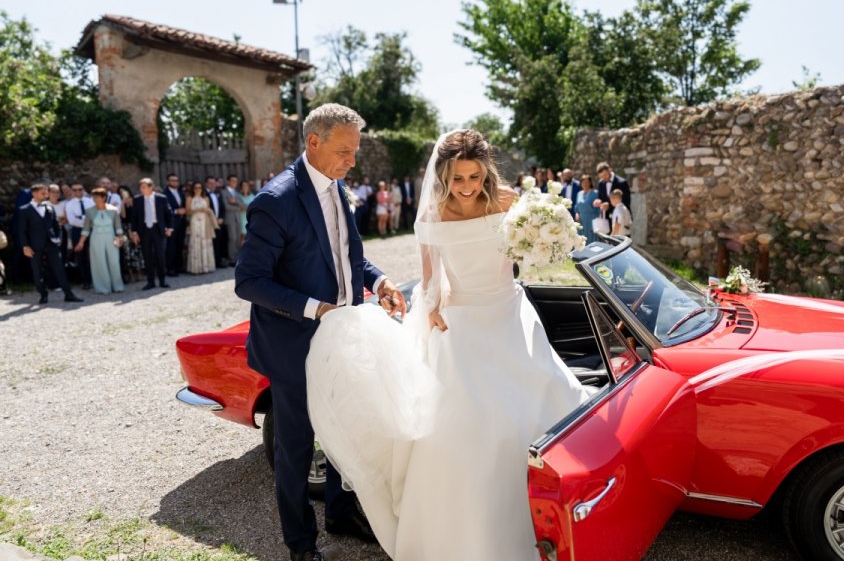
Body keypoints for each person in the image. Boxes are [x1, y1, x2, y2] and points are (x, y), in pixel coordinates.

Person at [305, 129, 588, 561]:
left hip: (510, 316)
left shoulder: (509, 201)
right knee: (476, 426)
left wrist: (548, 240)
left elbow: (534, 247)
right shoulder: (434, 215)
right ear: (444, 176)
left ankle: (566, 512)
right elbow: (431, 276)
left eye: (474, 176)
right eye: (458, 178)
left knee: (544, 404)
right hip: (463, 327)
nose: (468, 186)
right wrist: (432, 307)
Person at [235, 103, 406, 561]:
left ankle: (341, 510)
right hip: (294, 345)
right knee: (294, 449)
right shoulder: (276, 200)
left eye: (355, 151)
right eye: (345, 151)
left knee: (345, 429)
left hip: (343, 338)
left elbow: (346, 255)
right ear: (314, 142)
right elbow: (248, 281)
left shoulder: (336, 186)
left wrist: (379, 280)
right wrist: (317, 309)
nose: (353, 160)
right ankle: (301, 544)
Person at [17, 183, 82, 304]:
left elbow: (56, 225)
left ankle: (68, 294)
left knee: (60, 269)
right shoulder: (24, 210)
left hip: (52, 244)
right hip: (34, 245)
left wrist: (58, 239)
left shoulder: (49, 208)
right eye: (43, 192)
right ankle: (43, 294)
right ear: (34, 193)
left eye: (46, 192)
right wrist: (25, 246)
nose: (46, 194)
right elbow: (22, 230)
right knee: (37, 271)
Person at [74, 188, 125, 295]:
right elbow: (86, 229)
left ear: (104, 198)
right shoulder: (89, 211)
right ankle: (103, 288)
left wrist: (120, 238)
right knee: (99, 262)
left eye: (97, 196)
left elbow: (118, 227)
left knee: (114, 262)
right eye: (93, 196)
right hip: (96, 238)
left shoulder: (113, 210)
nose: (95, 199)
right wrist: (81, 242)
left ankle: (117, 286)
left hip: (111, 237)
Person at [130, 178, 173, 290]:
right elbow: (134, 217)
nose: (141, 189)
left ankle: (162, 280)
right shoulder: (137, 199)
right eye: (141, 187)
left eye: (144, 187)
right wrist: (134, 232)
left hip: (158, 230)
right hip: (144, 230)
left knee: (160, 256)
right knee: (147, 256)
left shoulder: (161, 198)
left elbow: (169, 214)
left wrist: (169, 228)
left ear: (151, 187)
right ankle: (150, 281)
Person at [65, 183, 95, 289]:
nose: (77, 191)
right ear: (72, 191)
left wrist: (81, 218)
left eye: (80, 189)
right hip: (77, 231)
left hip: (92, 230)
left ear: (83, 190)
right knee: (81, 256)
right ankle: (85, 281)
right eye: (75, 190)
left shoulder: (90, 201)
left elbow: (93, 215)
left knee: (93, 255)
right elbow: (72, 220)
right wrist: (85, 219)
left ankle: (94, 279)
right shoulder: (69, 204)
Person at [185, 182, 217, 274]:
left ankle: (207, 267)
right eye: (196, 187)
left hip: (205, 221)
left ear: (202, 188)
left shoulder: (206, 198)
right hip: (195, 221)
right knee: (196, 241)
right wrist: (199, 210)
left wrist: (208, 211)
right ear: (193, 188)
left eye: (200, 187)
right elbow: (188, 211)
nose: (198, 189)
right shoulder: (189, 198)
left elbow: (208, 210)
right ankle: (196, 268)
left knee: (206, 241)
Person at [118, 185, 144, 284]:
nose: (122, 193)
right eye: (120, 192)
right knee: (127, 251)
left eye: (124, 190)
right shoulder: (121, 202)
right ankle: (131, 275)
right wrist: (123, 204)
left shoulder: (135, 200)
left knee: (137, 250)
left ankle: (140, 273)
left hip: (134, 227)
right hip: (125, 228)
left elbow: (136, 215)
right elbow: (123, 216)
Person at [164, 173, 187, 276]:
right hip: (171, 223)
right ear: (168, 182)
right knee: (170, 246)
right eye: (172, 180)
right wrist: (176, 211)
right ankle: (170, 268)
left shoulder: (181, 193)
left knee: (180, 245)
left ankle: (179, 267)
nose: (174, 182)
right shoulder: (164, 194)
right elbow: (163, 210)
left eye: (176, 180)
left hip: (181, 223)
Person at [205, 176, 226, 267]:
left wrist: (221, 217)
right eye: (210, 183)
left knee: (218, 242)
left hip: (219, 222)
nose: (213, 185)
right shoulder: (204, 194)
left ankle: (217, 261)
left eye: (214, 183)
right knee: (210, 243)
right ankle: (210, 263)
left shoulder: (218, 193)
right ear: (206, 184)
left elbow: (222, 207)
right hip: (208, 223)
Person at [574, 174, 601, 244]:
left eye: (587, 182)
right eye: (583, 182)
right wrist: (577, 213)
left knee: (592, 240)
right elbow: (576, 207)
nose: (585, 184)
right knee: (582, 241)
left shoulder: (595, 193)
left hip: (591, 220)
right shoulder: (579, 193)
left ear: (590, 183)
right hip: (581, 221)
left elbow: (598, 209)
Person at [222, 174, 242, 265]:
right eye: (232, 181)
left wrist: (235, 202)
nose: (234, 183)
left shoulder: (237, 193)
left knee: (238, 238)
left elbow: (244, 206)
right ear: (228, 181)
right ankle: (232, 259)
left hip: (238, 219)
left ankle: (237, 258)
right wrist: (238, 207)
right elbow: (226, 206)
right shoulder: (223, 192)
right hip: (229, 219)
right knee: (232, 238)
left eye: (236, 181)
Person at [237, 180, 255, 246]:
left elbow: (254, 208)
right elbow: (238, 208)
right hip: (241, 218)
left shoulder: (253, 196)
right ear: (241, 187)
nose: (245, 187)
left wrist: (243, 208)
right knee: (241, 237)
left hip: (250, 219)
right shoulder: (238, 196)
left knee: (249, 237)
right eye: (243, 185)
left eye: (246, 185)